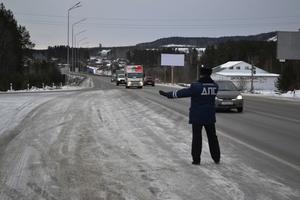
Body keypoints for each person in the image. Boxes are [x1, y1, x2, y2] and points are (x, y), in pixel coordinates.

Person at [159, 67, 220, 165]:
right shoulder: (215, 86)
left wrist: (168, 94)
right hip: (210, 116)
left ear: (201, 74)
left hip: (197, 116)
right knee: (212, 137)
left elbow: (182, 93)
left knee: (197, 138)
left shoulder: (196, 86)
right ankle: (216, 157)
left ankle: (196, 160)